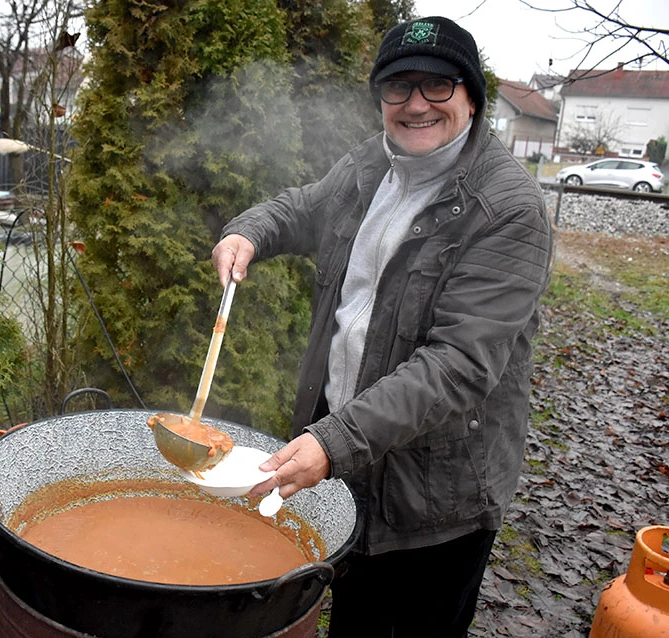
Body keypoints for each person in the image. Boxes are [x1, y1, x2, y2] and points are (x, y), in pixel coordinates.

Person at [211, 15, 553, 638]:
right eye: (399, 87)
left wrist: (332, 440)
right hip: (349, 465)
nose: (416, 103)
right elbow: (303, 207)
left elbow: (458, 365)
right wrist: (249, 230)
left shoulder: (507, 209)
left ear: (471, 96)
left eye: (438, 86)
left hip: (436, 497)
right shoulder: (372, 164)